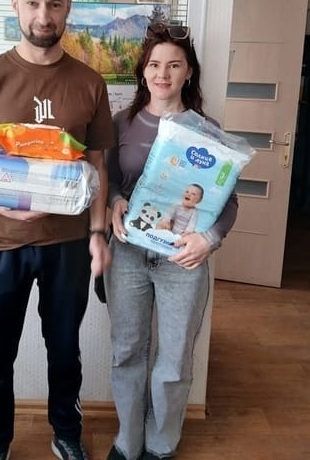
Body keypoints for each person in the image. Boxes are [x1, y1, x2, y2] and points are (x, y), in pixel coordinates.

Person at [0, 0, 115, 460]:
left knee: (65, 352)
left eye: (55, 4)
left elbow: (97, 166)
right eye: (34, 2)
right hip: (0, 244)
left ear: (68, 9)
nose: (44, 15)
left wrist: (98, 234)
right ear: (16, 4)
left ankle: (66, 434)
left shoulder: (89, 83)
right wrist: (11, 206)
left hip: (67, 245)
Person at [104, 23, 238, 460]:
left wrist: (210, 239)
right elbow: (109, 181)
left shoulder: (208, 131)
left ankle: (161, 444)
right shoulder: (122, 123)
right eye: (154, 64)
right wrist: (115, 201)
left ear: (189, 72)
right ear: (143, 71)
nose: (162, 74)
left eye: (174, 65)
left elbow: (229, 202)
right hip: (128, 253)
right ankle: (128, 441)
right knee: (127, 351)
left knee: (175, 358)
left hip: (183, 260)